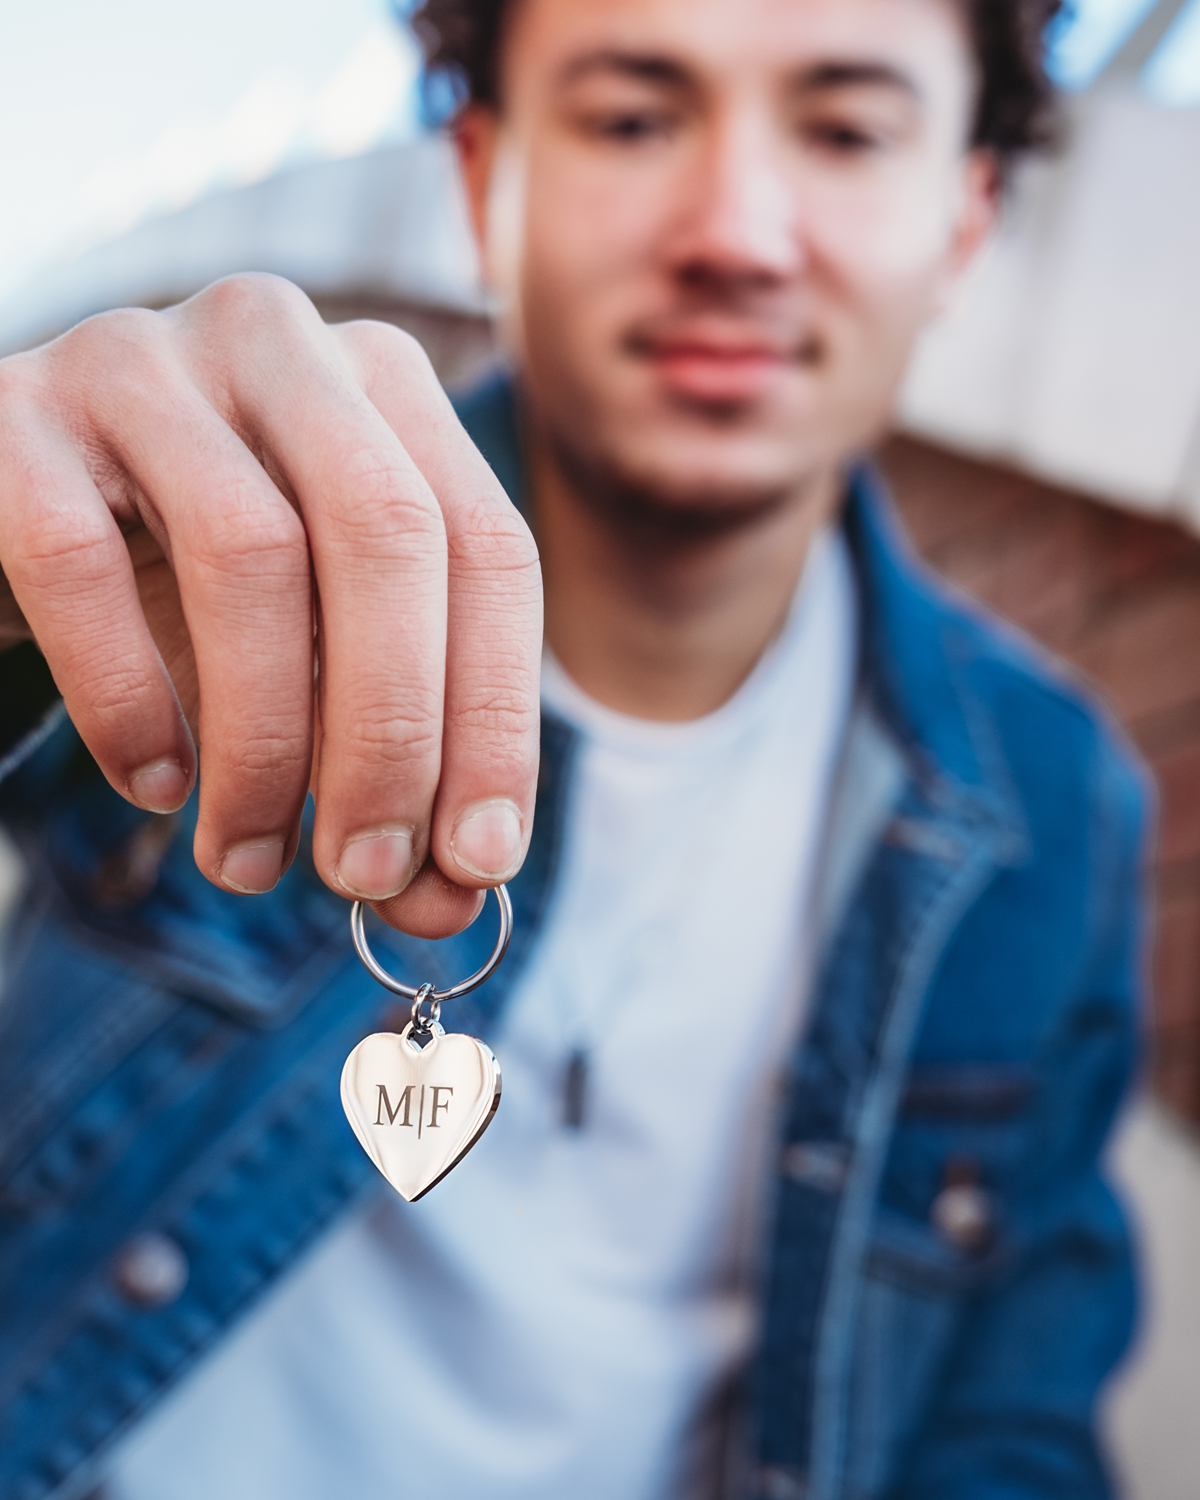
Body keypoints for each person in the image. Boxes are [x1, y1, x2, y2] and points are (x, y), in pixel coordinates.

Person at [0, 0, 1149, 1496]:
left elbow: (1009, 1427)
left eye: (848, 130)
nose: (737, 232)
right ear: (481, 179)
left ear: (964, 219)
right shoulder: (214, 564)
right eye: (630, 116)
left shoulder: (1059, 801)